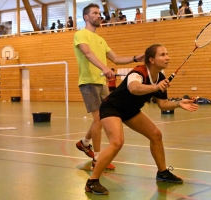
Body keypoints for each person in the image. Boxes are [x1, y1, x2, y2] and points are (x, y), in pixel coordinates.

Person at [85, 44, 199, 195]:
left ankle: (162, 172)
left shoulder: (160, 77)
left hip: (130, 111)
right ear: (151, 59)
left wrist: (178, 103)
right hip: (112, 108)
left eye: (167, 54)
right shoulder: (138, 72)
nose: (167, 57)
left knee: (156, 135)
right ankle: (92, 182)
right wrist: (155, 87)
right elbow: (134, 88)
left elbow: (163, 105)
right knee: (117, 142)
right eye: (163, 54)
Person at [74, 3, 144, 170]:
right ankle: (98, 159)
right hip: (88, 82)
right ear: (86, 17)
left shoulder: (101, 40)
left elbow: (116, 59)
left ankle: (84, 143)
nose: (99, 15)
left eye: (99, 13)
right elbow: (87, 53)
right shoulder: (80, 34)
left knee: (104, 117)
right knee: (98, 120)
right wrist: (104, 68)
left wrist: (136, 58)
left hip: (101, 83)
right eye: (95, 13)